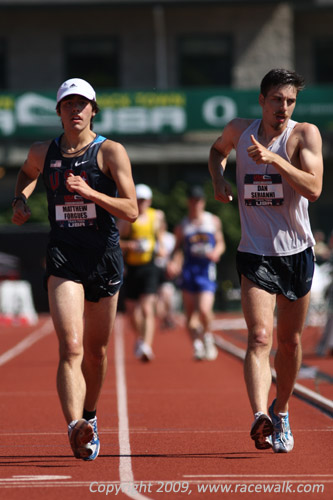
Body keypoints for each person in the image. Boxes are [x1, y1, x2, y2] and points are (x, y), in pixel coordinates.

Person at [11, 78, 138, 460]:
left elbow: (132, 209)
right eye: (68, 104)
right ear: (59, 112)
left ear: (93, 110)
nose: (75, 111)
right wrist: (20, 199)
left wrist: (92, 193)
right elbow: (26, 173)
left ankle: (89, 416)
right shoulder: (42, 151)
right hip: (64, 255)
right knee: (71, 346)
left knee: (96, 354)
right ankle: (73, 427)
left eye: (82, 104)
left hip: (103, 257)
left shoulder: (111, 152)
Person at [208, 68, 323, 453]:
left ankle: (282, 410)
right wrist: (218, 179)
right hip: (255, 252)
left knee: (289, 344)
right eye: (277, 99)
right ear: (262, 100)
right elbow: (215, 151)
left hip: (296, 253)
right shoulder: (240, 130)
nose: (284, 108)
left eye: (290, 101)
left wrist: (276, 161)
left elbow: (314, 188)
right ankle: (260, 415)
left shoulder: (304, 134)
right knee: (259, 337)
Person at [168, 185, 226, 360]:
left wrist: (216, 252)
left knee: (203, 309)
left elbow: (221, 243)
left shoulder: (213, 221)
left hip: (206, 270)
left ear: (203, 202)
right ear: (188, 202)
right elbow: (177, 249)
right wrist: (173, 263)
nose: (196, 204)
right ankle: (197, 344)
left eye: (199, 201)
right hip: (189, 271)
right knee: (190, 314)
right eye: (193, 201)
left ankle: (207, 336)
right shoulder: (182, 225)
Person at [118, 183, 165, 362]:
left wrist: (161, 249)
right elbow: (117, 241)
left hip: (149, 266)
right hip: (132, 267)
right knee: (131, 312)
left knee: (147, 308)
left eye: (144, 200)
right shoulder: (128, 218)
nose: (141, 203)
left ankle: (146, 345)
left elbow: (160, 237)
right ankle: (140, 338)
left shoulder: (157, 216)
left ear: (149, 201)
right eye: (138, 200)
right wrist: (130, 245)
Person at [154, 218, 178, 329]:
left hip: (166, 271)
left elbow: (177, 253)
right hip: (154, 270)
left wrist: (175, 265)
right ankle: (165, 318)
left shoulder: (170, 238)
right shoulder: (153, 238)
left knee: (166, 295)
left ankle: (169, 316)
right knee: (157, 303)